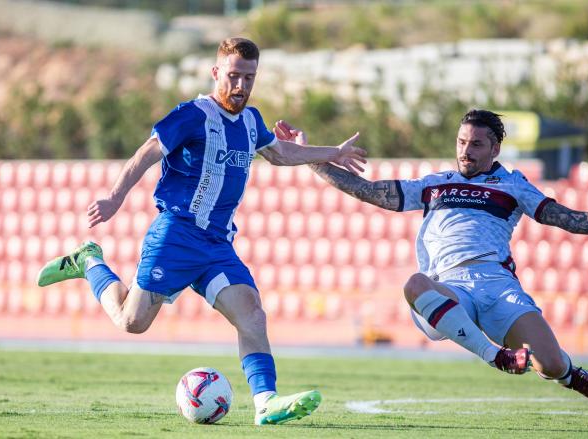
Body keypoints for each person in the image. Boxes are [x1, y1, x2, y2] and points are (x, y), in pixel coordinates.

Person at [37, 37, 367, 425]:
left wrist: (334, 152)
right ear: (215, 73)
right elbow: (146, 153)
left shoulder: (250, 120)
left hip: (217, 244)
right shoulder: (192, 115)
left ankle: (266, 404)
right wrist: (114, 197)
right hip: (176, 234)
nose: (241, 86)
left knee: (253, 314)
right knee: (132, 322)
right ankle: (90, 260)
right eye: (233, 76)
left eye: (249, 77)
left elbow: (280, 153)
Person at [279, 110, 588, 402]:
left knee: (551, 364)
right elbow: (367, 191)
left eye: (476, 144)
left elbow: (568, 219)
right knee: (415, 284)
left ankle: (569, 374)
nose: (465, 152)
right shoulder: (435, 185)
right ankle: (494, 356)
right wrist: (309, 156)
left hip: (497, 284)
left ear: (496, 148)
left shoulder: (513, 185)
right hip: (448, 288)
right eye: (461, 142)